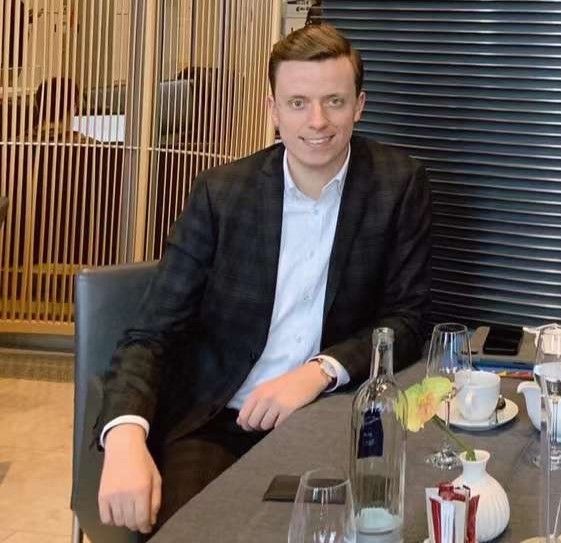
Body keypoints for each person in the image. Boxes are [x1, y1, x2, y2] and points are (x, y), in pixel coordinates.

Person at [95, 23, 431, 534]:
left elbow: (407, 318)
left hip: (331, 416)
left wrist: (319, 371)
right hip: (219, 421)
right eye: (297, 103)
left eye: (334, 101)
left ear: (359, 106)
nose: (317, 121)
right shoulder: (222, 193)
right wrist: (123, 437)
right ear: (272, 109)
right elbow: (150, 333)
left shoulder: (397, 183)